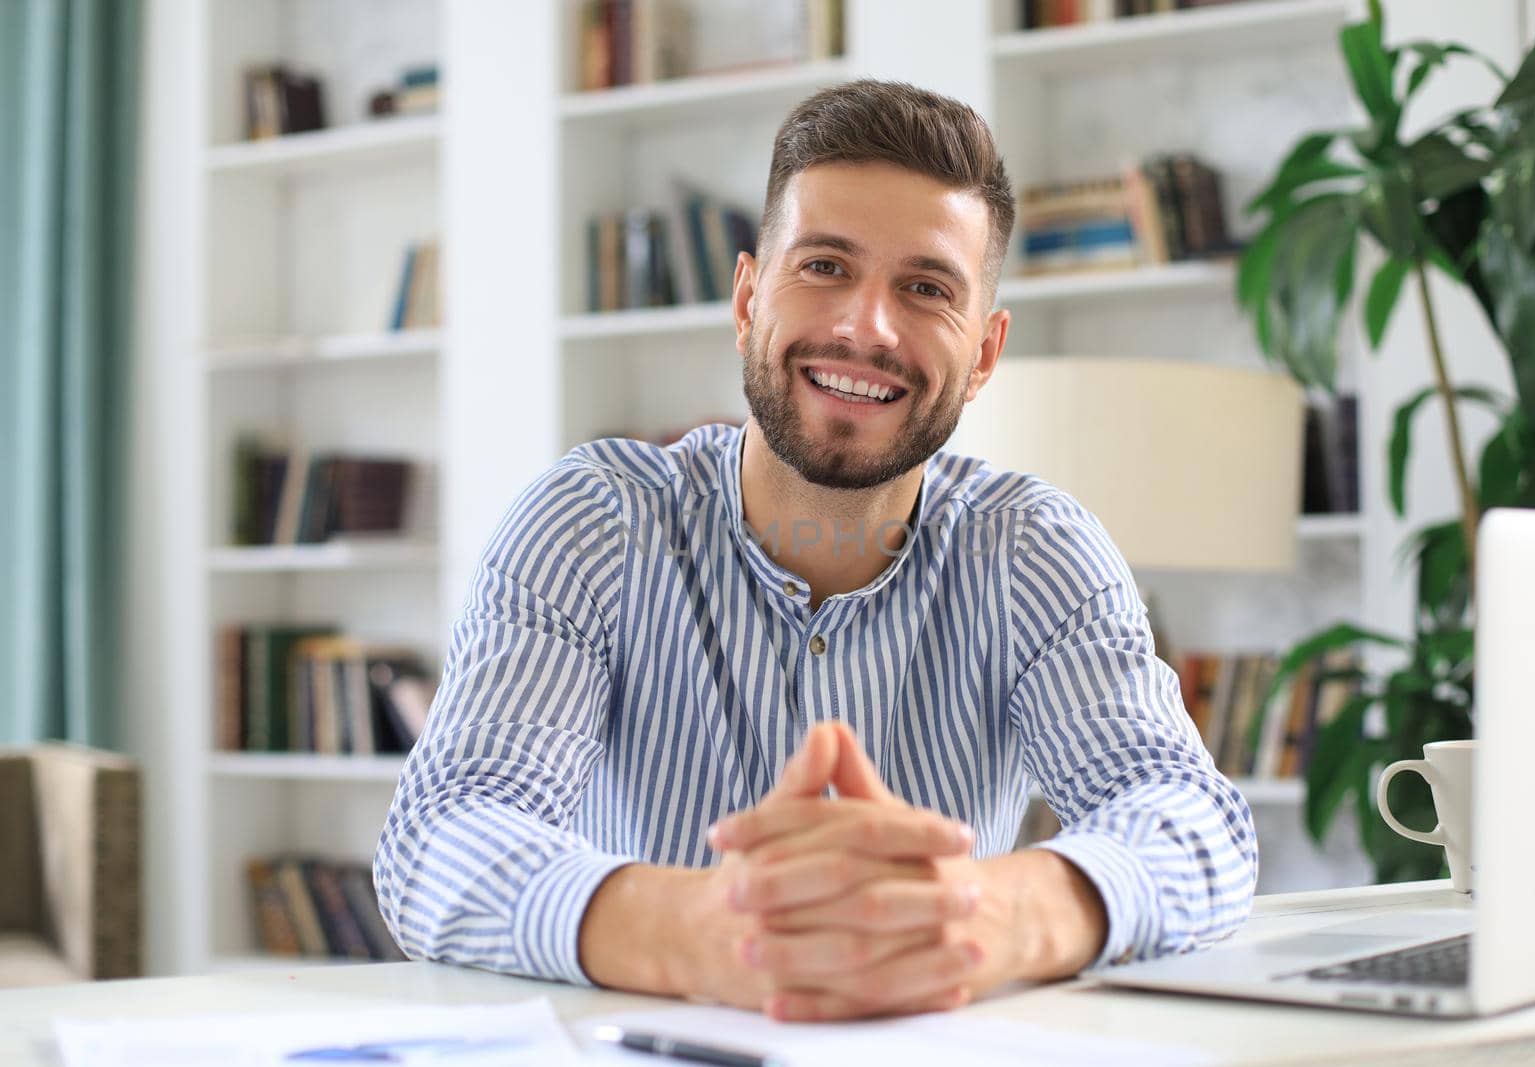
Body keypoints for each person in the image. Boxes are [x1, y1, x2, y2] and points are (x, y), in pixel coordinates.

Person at [374, 78, 1257, 1023]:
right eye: (826, 266)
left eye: (925, 288)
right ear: (750, 296)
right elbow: (442, 832)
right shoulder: (592, 523)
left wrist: (992, 914)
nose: (864, 328)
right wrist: (704, 932)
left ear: (986, 352)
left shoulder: (1035, 550)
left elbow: (1192, 818)